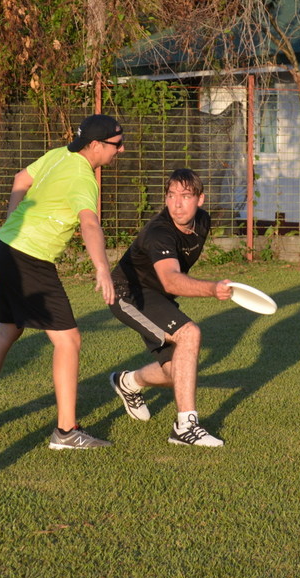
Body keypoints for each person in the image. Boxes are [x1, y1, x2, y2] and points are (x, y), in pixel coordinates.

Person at [0, 114, 122, 449]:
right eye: (117, 144)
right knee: (69, 340)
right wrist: (102, 268)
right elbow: (90, 224)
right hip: (29, 258)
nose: (121, 150)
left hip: (5, 248)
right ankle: (66, 431)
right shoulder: (83, 177)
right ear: (95, 145)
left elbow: (21, 178)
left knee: (8, 329)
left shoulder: (60, 154)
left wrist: (11, 223)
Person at [107, 168, 232, 447]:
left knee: (176, 373)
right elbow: (171, 280)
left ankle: (128, 382)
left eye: (185, 196)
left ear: (200, 199)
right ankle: (185, 426)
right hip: (128, 294)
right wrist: (212, 289)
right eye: (171, 195)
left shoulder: (202, 221)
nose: (177, 204)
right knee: (190, 333)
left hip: (157, 297)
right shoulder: (159, 232)